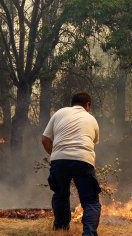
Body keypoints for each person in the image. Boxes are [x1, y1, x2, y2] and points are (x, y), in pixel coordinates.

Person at [42, 91, 101, 236]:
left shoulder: (59, 113)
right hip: (82, 159)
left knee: (60, 194)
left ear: (72, 103)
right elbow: (93, 142)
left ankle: (61, 229)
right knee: (90, 201)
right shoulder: (91, 119)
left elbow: (45, 139)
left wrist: (57, 156)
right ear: (87, 105)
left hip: (59, 160)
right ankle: (88, 233)